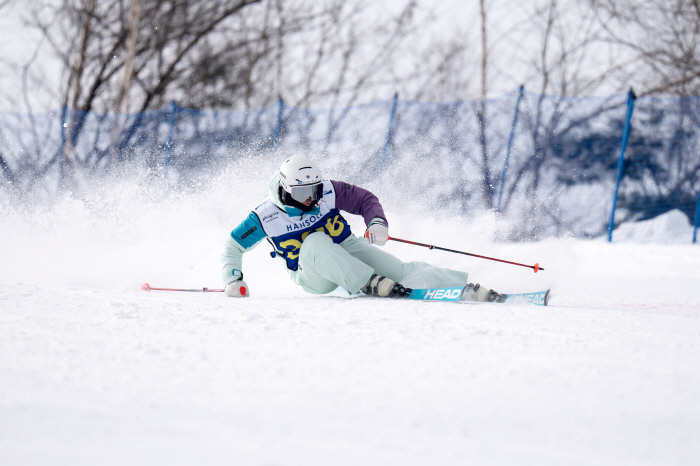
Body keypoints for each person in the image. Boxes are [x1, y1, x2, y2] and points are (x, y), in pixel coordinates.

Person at [221, 155, 504, 301]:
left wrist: (376, 223)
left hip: (346, 248)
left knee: (399, 271)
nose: (310, 197)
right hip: (313, 275)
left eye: (314, 189)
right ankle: (367, 283)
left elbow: (365, 199)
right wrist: (233, 280)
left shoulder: (329, 191)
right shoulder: (266, 215)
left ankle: (462, 286)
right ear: (285, 189)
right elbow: (233, 245)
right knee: (316, 242)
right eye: (301, 192)